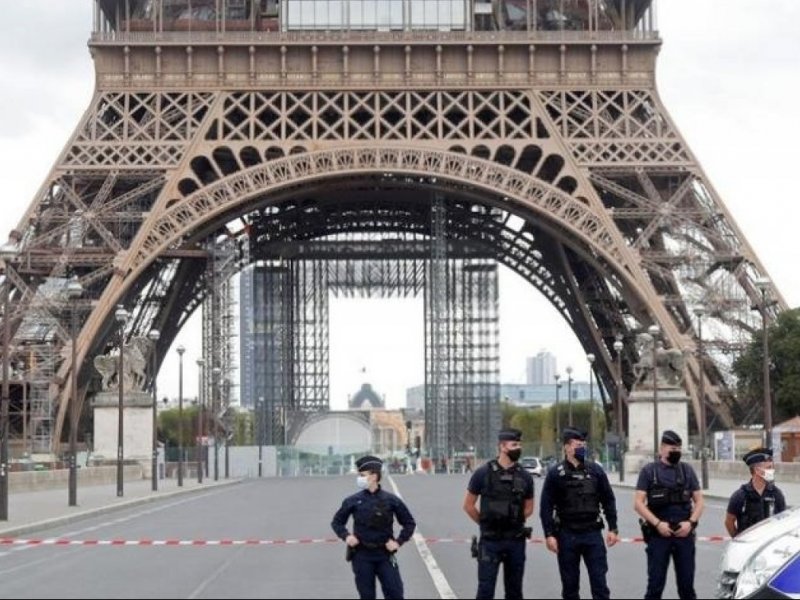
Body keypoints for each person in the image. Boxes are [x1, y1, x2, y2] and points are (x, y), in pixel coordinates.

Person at [540, 427, 619, 599]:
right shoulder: (555, 474)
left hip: (592, 534)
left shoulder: (595, 471)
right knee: (570, 587)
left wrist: (613, 528)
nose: (581, 448)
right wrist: (549, 534)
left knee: (600, 585)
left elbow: (608, 500)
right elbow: (545, 507)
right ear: (567, 447)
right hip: (567, 535)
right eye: (577, 444)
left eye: (583, 444)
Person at [462, 428, 535, 600]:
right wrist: (485, 522)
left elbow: (529, 508)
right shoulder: (482, 473)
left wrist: (513, 520)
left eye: (519, 445)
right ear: (502, 446)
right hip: (490, 541)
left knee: (515, 591)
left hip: (515, 541)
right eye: (514, 445)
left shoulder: (525, 476)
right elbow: (468, 505)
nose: (518, 448)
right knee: (485, 591)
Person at [331, 455, 416, 600]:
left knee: (395, 593)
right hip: (361, 556)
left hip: (385, 555)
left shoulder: (391, 500)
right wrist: (347, 536)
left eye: (362, 475)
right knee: (367, 595)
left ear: (374, 476)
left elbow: (409, 523)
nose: (360, 478)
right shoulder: (353, 500)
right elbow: (337, 522)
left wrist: (398, 542)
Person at [634, 430, 704, 600]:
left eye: (679, 448)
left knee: (687, 588)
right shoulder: (649, 471)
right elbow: (638, 503)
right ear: (662, 448)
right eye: (673, 448)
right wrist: (658, 524)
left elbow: (700, 501)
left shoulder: (687, 471)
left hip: (684, 534)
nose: (676, 452)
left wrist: (691, 523)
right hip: (659, 535)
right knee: (655, 587)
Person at [725, 447, 786, 537]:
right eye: (768, 467)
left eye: (772, 467)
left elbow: (784, 522)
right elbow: (729, 522)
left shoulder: (776, 494)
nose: (772, 471)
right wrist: (738, 540)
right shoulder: (740, 495)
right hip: (748, 546)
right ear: (757, 470)